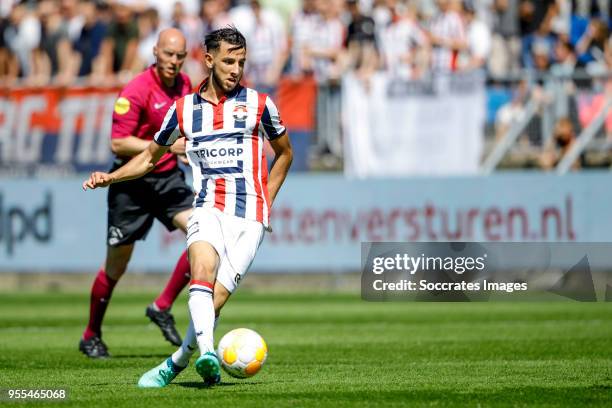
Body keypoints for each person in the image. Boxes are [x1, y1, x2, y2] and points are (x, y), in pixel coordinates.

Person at [82, 27, 293, 386]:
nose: (235, 69)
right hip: (207, 205)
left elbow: (285, 153)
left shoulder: (260, 104)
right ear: (209, 61)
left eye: (241, 62)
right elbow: (149, 156)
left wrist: (267, 199)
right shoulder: (184, 111)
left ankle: (177, 361)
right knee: (201, 267)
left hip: (250, 216)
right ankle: (208, 353)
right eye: (228, 61)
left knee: (216, 300)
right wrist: (111, 178)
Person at [78, 28, 194, 358]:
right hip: (131, 184)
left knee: (205, 235)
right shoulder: (136, 90)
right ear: (155, 52)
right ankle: (90, 335)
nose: (174, 61)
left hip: (168, 180)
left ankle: (161, 306)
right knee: (116, 266)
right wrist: (167, 146)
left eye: (180, 55)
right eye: (169, 54)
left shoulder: (185, 86)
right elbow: (118, 142)